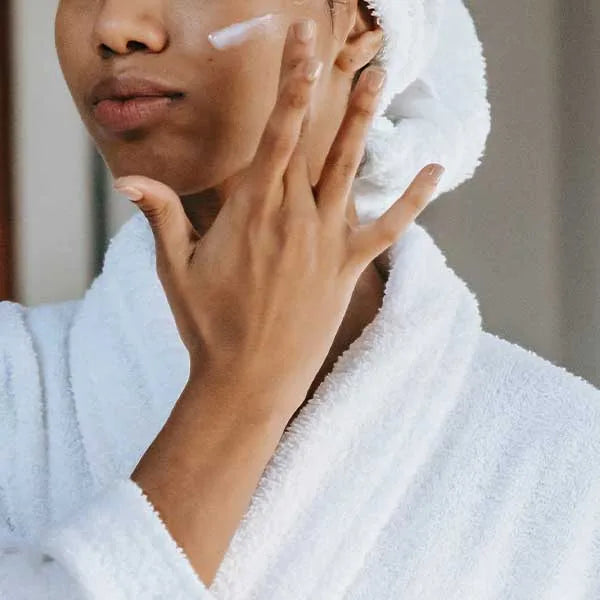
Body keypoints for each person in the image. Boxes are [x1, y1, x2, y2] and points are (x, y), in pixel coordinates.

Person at [1, 1, 599, 598]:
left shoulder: (568, 461)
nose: (113, 26)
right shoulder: (16, 387)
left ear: (365, 20)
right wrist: (240, 391)